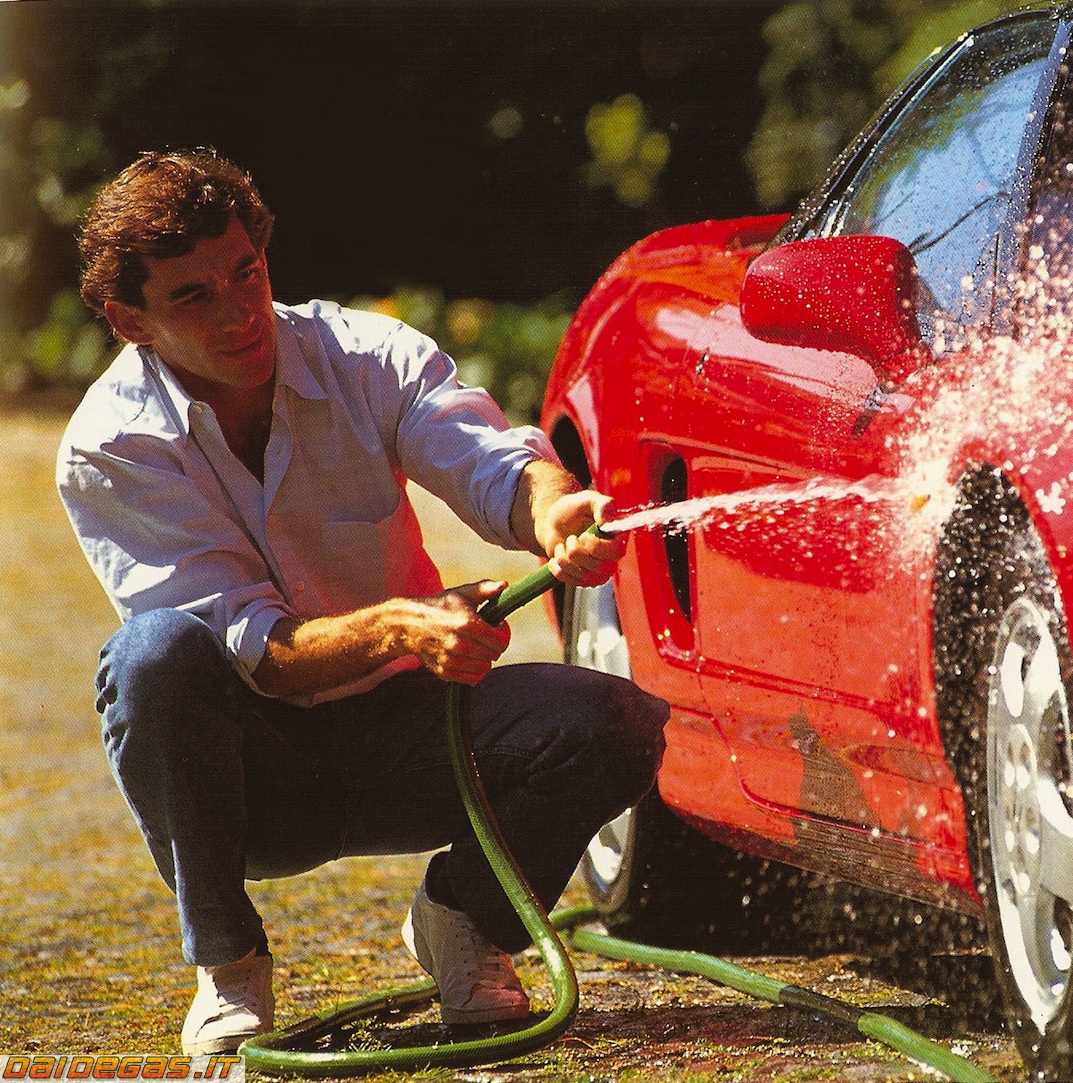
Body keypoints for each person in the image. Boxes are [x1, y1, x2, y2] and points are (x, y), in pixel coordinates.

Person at [56, 148, 670, 1055]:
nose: (239, 313)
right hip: (253, 774)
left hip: (415, 734)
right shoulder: (110, 446)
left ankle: (466, 920)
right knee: (149, 661)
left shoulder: (365, 352)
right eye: (194, 297)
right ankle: (228, 967)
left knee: (615, 720)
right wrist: (398, 626)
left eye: (247, 274)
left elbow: (489, 461)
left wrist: (552, 506)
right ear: (128, 320)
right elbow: (245, 644)